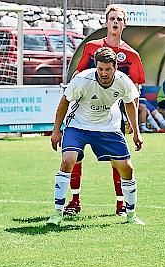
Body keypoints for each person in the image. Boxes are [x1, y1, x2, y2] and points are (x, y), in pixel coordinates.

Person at [63, 4, 146, 217]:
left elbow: (133, 92)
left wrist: (133, 124)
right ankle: (74, 201)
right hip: (83, 111)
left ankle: (121, 204)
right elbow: (78, 74)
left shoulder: (131, 55)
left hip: (111, 115)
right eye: (112, 19)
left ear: (124, 24)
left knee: (117, 160)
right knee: (75, 157)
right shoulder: (91, 47)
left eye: (119, 19)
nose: (115, 22)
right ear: (106, 22)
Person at [47, 47, 144, 226]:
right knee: (68, 160)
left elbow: (131, 103)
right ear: (96, 67)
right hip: (78, 125)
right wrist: (56, 130)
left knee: (127, 168)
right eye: (100, 69)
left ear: (115, 68)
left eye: (107, 69)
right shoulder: (83, 80)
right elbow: (64, 102)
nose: (104, 73)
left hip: (108, 127)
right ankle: (57, 214)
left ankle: (131, 215)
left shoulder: (123, 81)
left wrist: (136, 132)